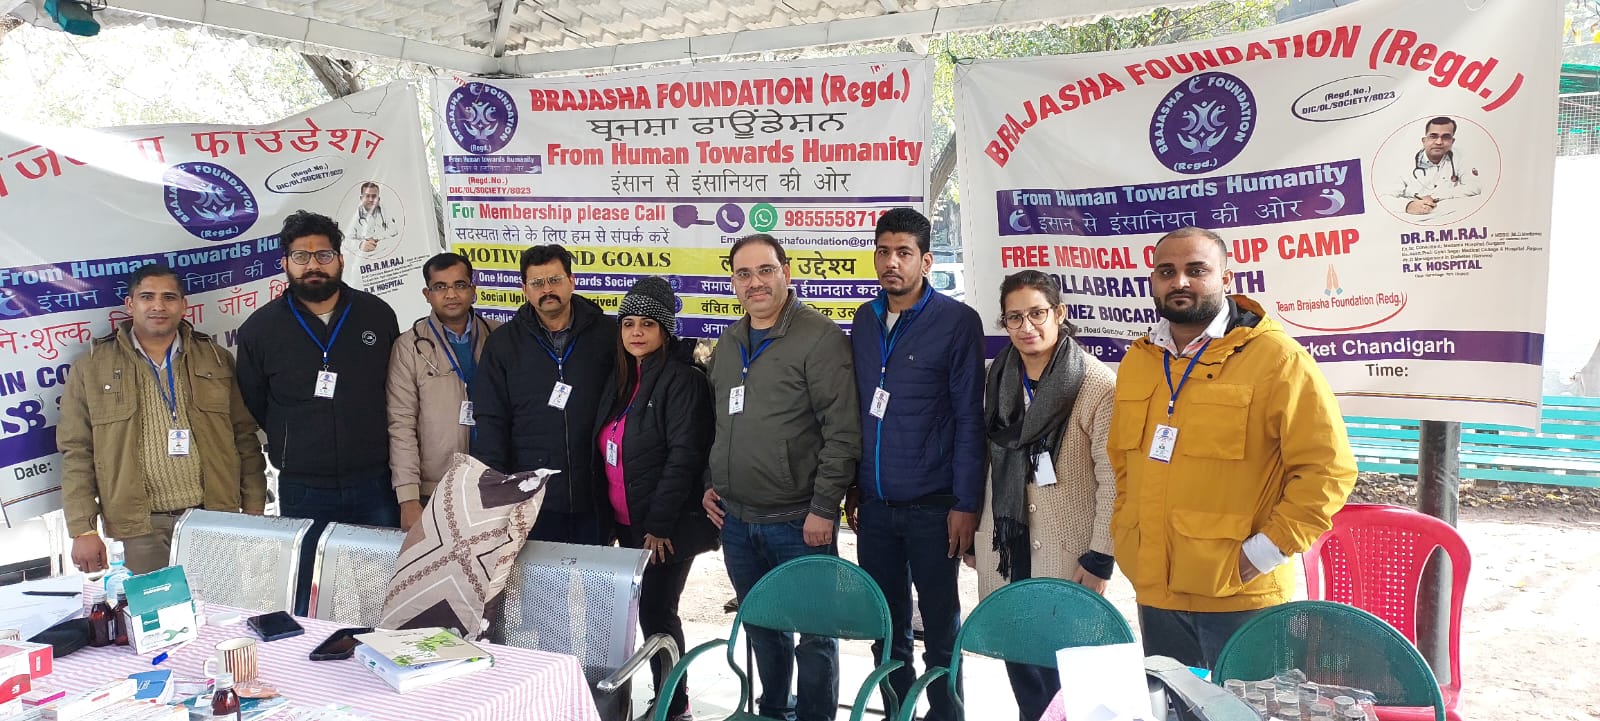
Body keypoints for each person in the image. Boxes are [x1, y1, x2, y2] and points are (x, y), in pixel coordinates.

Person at [1110, 227, 1357, 670]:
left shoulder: (1277, 359)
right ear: (1153, 282)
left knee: (1244, 704)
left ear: (1226, 279)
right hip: (1155, 590)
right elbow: (1124, 465)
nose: (1179, 281)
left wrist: (1263, 553)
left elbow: (1328, 471)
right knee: (1175, 702)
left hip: (1240, 593)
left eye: (1196, 270)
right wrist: (1128, 535)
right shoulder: (1139, 361)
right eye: (1166, 272)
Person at [701, 233, 860, 721]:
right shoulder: (730, 342)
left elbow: (842, 432)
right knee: (761, 625)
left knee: (815, 635)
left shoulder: (820, 338)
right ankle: (774, 709)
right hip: (738, 521)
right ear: (733, 282)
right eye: (744, 274)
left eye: (765, 270)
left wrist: (824, 508)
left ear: (786, 272)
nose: (755, 282)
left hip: (799, 521)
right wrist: (711, 479)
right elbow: (718, 422)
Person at [844, 208, 984, 721]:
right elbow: (858, 409)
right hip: (876, 507)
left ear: (926, 261)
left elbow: (969, 417)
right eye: (883, 251)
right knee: (886, 629)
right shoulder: (864, 320)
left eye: (903, 252)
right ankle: (897, 712)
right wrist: (855, 486)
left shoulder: (956, 322)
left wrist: (966, 503)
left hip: (934, 507)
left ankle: (947, 715)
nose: (891, 262)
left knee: (941, 630)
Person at [236, 210, 401, 613]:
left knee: (383, 587)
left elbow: (394, 391)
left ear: (340, 259)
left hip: (374, 481)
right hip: (303, 486)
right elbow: (256, 401)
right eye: (301, 256)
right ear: (286, 263)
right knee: (308, 589)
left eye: (323, 255)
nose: (313, 265)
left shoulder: (377, 314)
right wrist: (298, 438)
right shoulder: (260, 329)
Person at [58, 263, 268, 575]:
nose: (158, 306)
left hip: (213, 516)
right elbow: (77, 451)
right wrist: (82, 529)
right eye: (147, 297)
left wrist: (254, 505)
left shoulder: (216, 358)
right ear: (130, 305)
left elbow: (244, 437)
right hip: (139, 527)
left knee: (216, 602)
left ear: (184, 306)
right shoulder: (92, 367)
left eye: (169, 297)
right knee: (155, 606)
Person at [974, 269, 1117, 721]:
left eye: (1037, 313)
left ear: (1059, 313)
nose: (1027, 327)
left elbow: (1115, 480)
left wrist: (1101, 556)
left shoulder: (1095, 384)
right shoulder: (997, 377)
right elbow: (985, 462)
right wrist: (979, 534)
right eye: (1014, 318)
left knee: (1068, 684)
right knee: (1023, 674)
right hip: (1007, 548)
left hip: (1069, 554)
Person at [593, 277, 718, 721]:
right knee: (643, 616)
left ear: (665, 330)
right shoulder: (623, 378)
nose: (636, 332)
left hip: (663, 529)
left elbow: (685, 456)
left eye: (647, 324)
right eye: (628, 323)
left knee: (658, 615)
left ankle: (673, 705)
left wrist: (660, 525)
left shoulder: (683, 380)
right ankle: (661, 699)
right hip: (629, 524)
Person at [471, 244, 617, 544]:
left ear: (572, 281)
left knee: (595, 574)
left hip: (596, 492)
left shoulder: (607, 334)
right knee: (540, 576)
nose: (547, 290)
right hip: (532, 498)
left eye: (555, 280)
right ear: (524, 289)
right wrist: (497, 493)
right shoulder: (503, 344)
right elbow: (491, 419)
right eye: (537, 283)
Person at [386, 252, 499, 531]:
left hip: (491, 483)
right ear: (427, 294)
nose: (451, 294)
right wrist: (408, 498)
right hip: (434, 489)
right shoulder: (409, 347)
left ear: (473, 289)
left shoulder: (499, 337)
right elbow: (400, 424)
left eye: (460, 285)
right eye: (440, 287)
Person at [1381, 116, 1481, 219]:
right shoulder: (1403, 163)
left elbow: (1475, 187)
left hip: (1449, 217)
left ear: (1452, 141)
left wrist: (1435, 196)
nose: (1439, 142)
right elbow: (1384, 197)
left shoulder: (1461, 157)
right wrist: (1408, 206)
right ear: (1424, 140)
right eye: (1433, 136)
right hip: (1412, 219)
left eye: (1446, 137)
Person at [347, 181, 400, 257]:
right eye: (367, 196)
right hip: (364, 256)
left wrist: (375, 238)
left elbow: (394, 230)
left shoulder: (384, 209)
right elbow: (346, 241)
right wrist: (360, 245)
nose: (371, 199)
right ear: (361, 198)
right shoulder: (352, 216)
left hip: (385, 252)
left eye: (374, 196)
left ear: (378, 199)